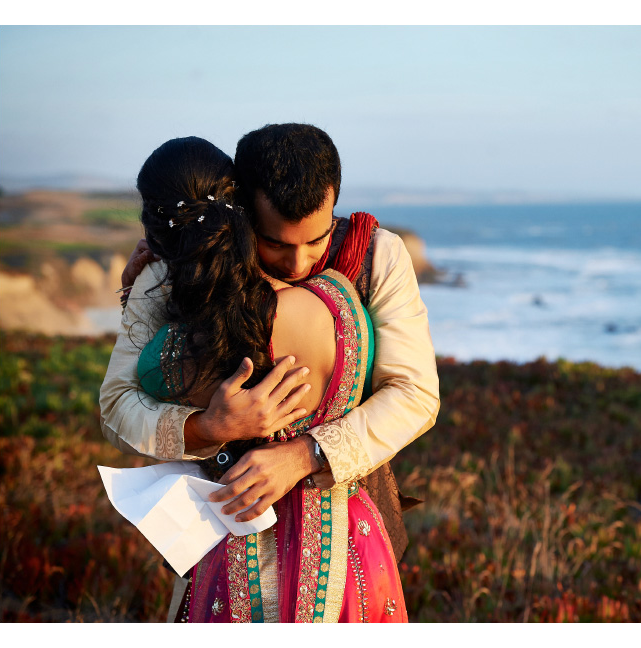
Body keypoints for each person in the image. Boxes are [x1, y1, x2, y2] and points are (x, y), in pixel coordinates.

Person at [99, 126, 439, 621]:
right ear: (240, 209)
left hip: (346, 536)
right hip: (221, 541)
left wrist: (306, 453)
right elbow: (115, 407)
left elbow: (415, 393)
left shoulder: (375, 254)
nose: (299, 261)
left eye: (316, 240)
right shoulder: (176, 267)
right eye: (274, 243)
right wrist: (209, 429)